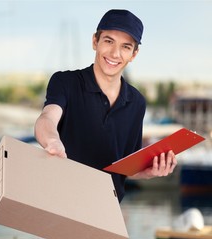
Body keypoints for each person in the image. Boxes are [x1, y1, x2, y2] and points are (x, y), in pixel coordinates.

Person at [34, 9, 177, 202]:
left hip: (107, 210)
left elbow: (125, 169)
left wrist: (150, 172)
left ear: (134, 54)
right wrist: (52, 141)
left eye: (126, 47)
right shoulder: (65, 82)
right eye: (109, 41)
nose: (115, 53)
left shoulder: (137, 102)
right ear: (95, 41)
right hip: (58, 202)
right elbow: (47, 118)